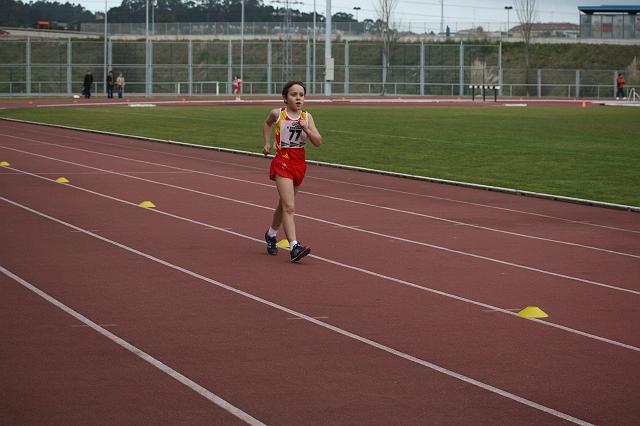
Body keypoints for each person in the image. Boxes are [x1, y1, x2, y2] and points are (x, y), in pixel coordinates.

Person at [262, 81, 322, 262]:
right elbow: (267, 123)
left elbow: (318, 142)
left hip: (299, 165)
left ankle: (271, 234)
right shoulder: (278, 114)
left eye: (301, 95)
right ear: (285, 98)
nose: (298, 98)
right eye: (294, 94)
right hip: (282, 163)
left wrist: (306, 129)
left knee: (283, 205)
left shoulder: (307, 117)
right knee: (289, 207)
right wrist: (268, 142)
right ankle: (294, 246)